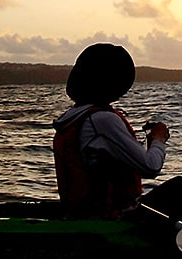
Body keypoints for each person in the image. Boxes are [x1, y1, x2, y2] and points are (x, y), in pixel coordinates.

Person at [52, 43, 170, 219]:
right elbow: (150, 167)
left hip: (82, 214)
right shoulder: (102, 120)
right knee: (181, 189)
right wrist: (159, 139)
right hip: (112, 216)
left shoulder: (74, 116)